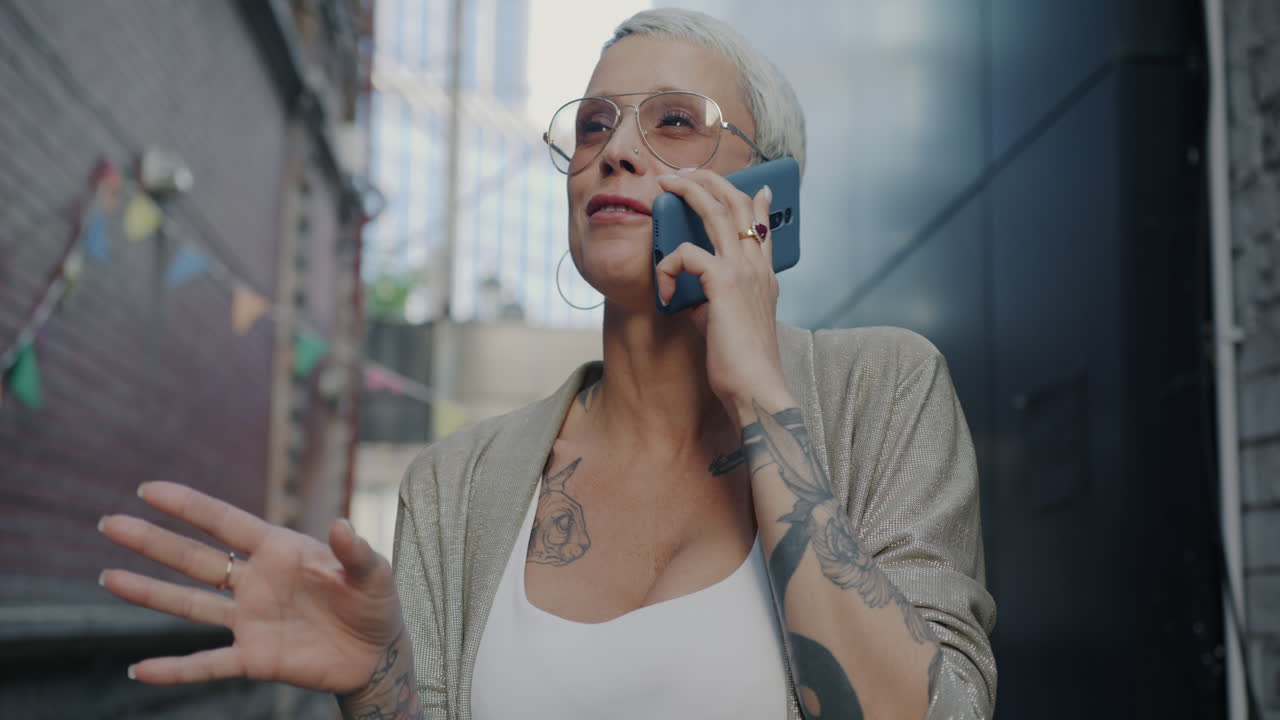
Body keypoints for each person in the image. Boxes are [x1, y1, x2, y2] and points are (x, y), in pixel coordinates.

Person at [98, 8, 996, 719]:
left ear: (773, 195)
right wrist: (376, 681)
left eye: (675, 121)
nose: (614, 150)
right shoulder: (459, 485)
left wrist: (760, 391)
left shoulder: (884, 389)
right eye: (595, 124)